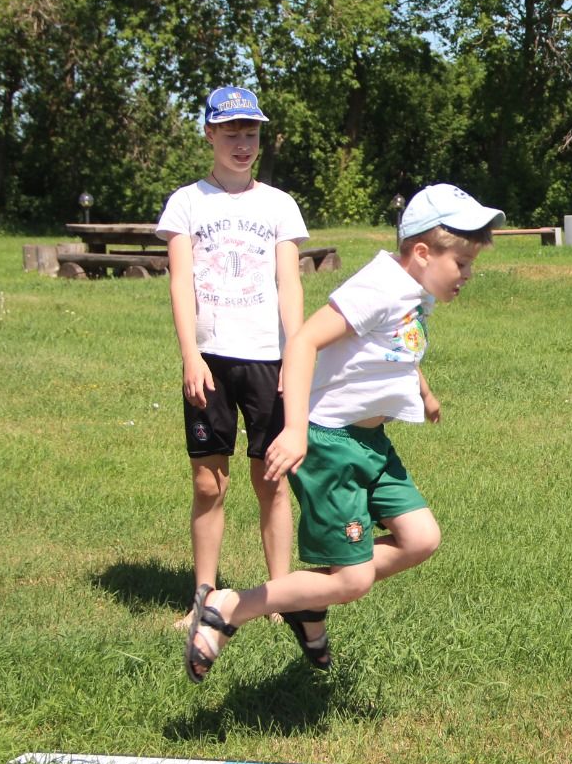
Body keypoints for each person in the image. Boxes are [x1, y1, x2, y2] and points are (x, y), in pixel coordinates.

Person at [182, 183, 503, 683]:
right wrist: (292, 432)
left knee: (421, 539)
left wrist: (424, 390)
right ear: (421, 253)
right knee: (351, 581)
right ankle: (231, 605)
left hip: (370, 444)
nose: (468, 274)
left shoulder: (415, 292)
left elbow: (396, 348)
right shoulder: (377, 287)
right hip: (329, 442)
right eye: (461, 262)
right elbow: (306, 340)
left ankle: (308, 603)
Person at [157, 86, 307, 631]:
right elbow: (180, 283)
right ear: (210, 134)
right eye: (232, 133)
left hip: (268, 358)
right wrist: (189, 355)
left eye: (252, 133)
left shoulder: (279, 205)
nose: (244, 144)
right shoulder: (187, 203)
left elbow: (290, 285)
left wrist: (295, 353)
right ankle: (203, 598)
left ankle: (278, 598)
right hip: (210, 360)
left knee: (272, 479)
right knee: (207, 482)